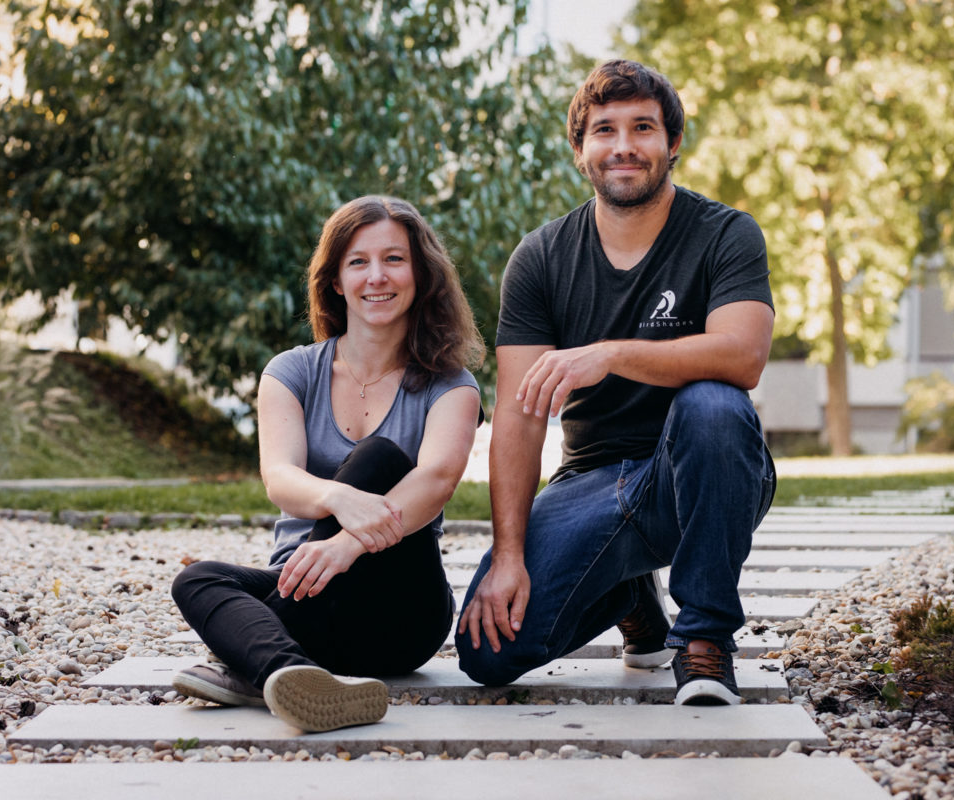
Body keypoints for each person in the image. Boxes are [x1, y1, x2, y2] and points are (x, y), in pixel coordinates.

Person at [455, 60, 776, 706]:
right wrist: (509, 554)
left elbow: (743, 357)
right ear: (580, 150)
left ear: (673, 142)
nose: (624, 146)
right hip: (592, 483)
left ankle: (705, 642)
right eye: (605, 130)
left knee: (712, 404)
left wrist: (609, 354)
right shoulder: (542, 258)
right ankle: (631, 594)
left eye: (643, 128)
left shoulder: (726, 235)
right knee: (488, 651)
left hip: (702, 474)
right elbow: (518, 417)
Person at [171, 195, 484, 732]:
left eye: (394, 259)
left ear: (420, 274)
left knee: (381, 458)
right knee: (196, 580)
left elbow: (435, 480)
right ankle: (293, 676)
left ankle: (249, 663)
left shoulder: (451, 385)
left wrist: (346, 544)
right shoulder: (291, 372)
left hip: (401, 612)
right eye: (358, 262)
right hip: (302, 590)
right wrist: (339, 498)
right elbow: (280, 478)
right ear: (336, 281)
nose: (376, 277)